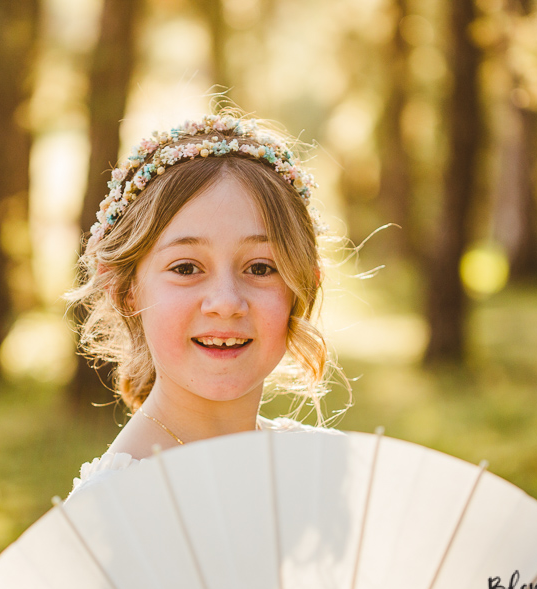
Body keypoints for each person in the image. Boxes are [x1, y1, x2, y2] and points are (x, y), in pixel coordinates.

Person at [65, 113, 342, 501]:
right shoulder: (111, 511)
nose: (226, 302)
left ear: (303, 287)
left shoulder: (332, 470)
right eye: (186, 268)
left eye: (260, 268)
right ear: (125, 291)